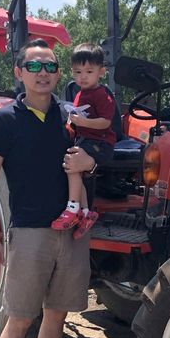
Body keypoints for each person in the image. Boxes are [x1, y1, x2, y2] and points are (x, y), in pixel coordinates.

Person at [0, 38, 96, 338]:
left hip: (71, 231)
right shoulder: (5, 120)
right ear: (19, 73)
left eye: (50, 66)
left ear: (59, 74)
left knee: (57, 316)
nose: (43, 73)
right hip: (29, 232)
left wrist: (91, 163)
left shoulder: (68, 117)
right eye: (34, 66)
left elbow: (82, 161)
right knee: (20, 320)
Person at [50, 43, 115, 238]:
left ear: (101, 72)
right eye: (78, 72)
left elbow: (105, 123)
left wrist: (83, 121)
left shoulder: (102, 95)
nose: (82, 76)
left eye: (89, 71)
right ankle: (86, 213)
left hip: (101, 142)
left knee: (72, 165)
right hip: (86, 139)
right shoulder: (79, 94)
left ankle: (72, 208)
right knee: (75, 168)